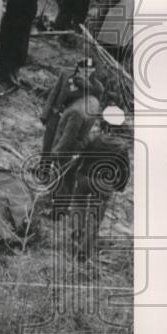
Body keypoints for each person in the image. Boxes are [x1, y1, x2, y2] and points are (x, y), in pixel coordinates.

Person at [55, 133, 130, 261]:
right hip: (104, 183)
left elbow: (81, 156)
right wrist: (119, 186)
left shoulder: (95, 138)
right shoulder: (122, 146)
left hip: (84, 177)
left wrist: (75, 172)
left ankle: (76, 234)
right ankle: (83, 253)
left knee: (78, 206)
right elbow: (124, 170)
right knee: (94, 219)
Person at [41, 58, 98, 153]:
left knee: (59, 146)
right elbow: (54, 92)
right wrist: (45, 113)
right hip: (55, 114)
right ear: (79, 68)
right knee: (47, 143)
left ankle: (54, 167)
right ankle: (43, 167)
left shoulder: (93, 85)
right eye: (84, 69)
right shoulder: (66, 74)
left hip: (70, 121)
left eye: (90, 70)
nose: (87, 72)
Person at [0, 0, 39, 87]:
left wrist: (15, 26)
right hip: (10, 30)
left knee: (13, 57)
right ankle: (2, 78)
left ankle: (12, 81)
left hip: (18, 33)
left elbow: (30, 16)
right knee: (5, 56)